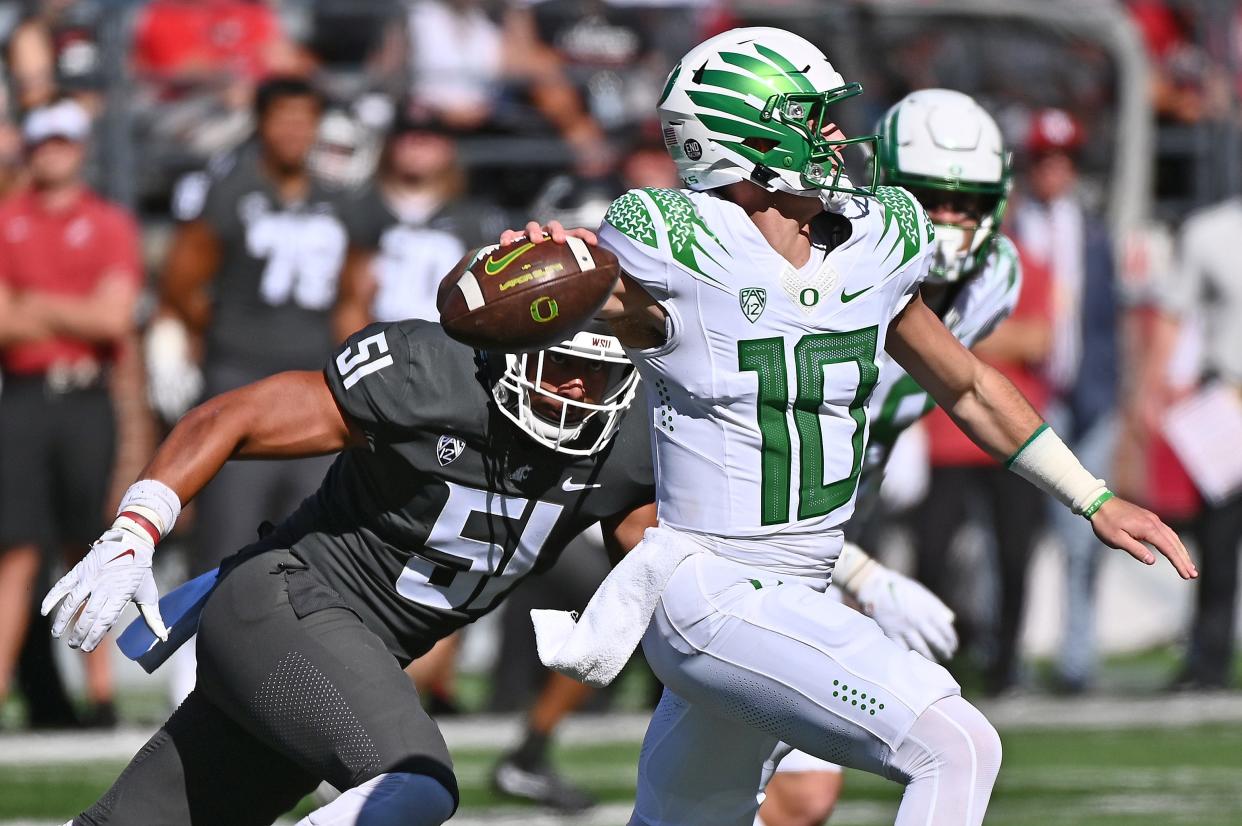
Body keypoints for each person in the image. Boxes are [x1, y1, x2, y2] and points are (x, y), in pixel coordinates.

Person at [504, 27, 1194, 826]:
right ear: (743, 139)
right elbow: (546, 298)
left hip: (792, 594)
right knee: (958, 744)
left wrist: (1094, 499)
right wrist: (531, 271)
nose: (835, 136)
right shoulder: (673, 243)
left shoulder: (875, 238)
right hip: (713, 593)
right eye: (811, 118)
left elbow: (966, 385)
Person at [758, 87, 1024, 826]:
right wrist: (865, 577)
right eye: (929, 197)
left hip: (825, 540)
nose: (948, 220)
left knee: (794, 792)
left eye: (966, 202)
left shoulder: (993, 281)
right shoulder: (824, 269)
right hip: (752, 538)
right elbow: (757, 458)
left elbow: (969, 391)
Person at [0, 98, 142, 724]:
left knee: (87, 545)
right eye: (45, 142)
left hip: (85, 395)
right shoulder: (8, 221)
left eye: (64, 141)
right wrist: (71, 310)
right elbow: (3, 323)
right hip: (27, 396)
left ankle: (101, 692)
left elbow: (113, 318)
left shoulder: (109, 223)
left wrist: (34, 303)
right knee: (17, 548)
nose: (54, 151)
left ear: (80, 148)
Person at [1011, 108, 1119, 694]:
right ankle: (1014, 652)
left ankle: (1077, 657)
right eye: (1044, 161)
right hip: (1028, 396)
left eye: (1063, 161)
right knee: (1024, 530)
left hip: (1088, 394)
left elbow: (1110, 319)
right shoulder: (1014, 231)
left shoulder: (1096, 228)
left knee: (1088, 531)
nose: (1054, 172)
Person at [1139, 194, 1242, 691]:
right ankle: (1208, 659)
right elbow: (1173, 314)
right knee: (1217, 543)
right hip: (1229, 403)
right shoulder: (1209, 231)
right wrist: (1154, 387)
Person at [332, 107, 509, 340]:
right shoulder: (362, 211)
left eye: (428, 137)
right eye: (407, 136)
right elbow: (349, 303)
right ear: (390, 146)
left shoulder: (475, 219)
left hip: (451, 343)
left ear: (448, 147)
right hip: (380, 340)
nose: (416, 144)